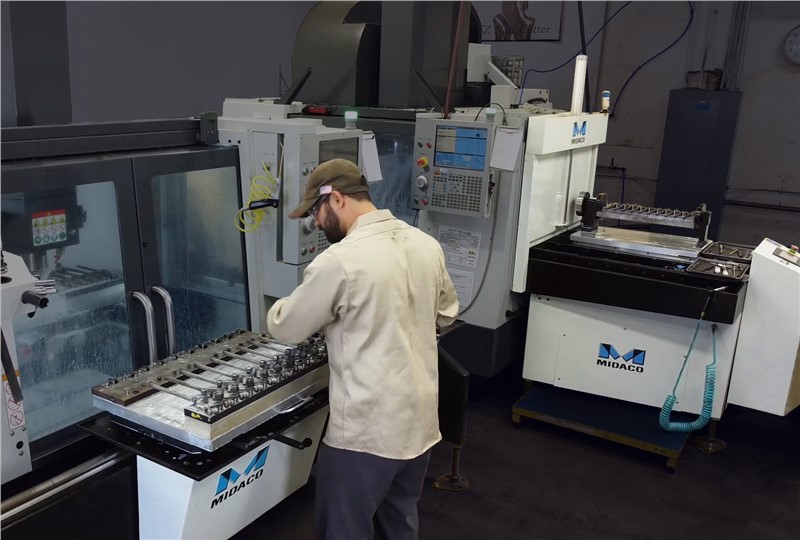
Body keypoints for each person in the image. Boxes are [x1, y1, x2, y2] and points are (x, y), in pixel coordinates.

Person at [266, 158, 459, 540]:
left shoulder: (340, 261)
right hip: (419, 424)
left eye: (316, 212)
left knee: (345, 530)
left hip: (365, 435)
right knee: (399, 524)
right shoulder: (426, 245)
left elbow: (286, 327)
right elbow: (446, 314)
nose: (316, 224)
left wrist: (279, 306)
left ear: (336, 199)